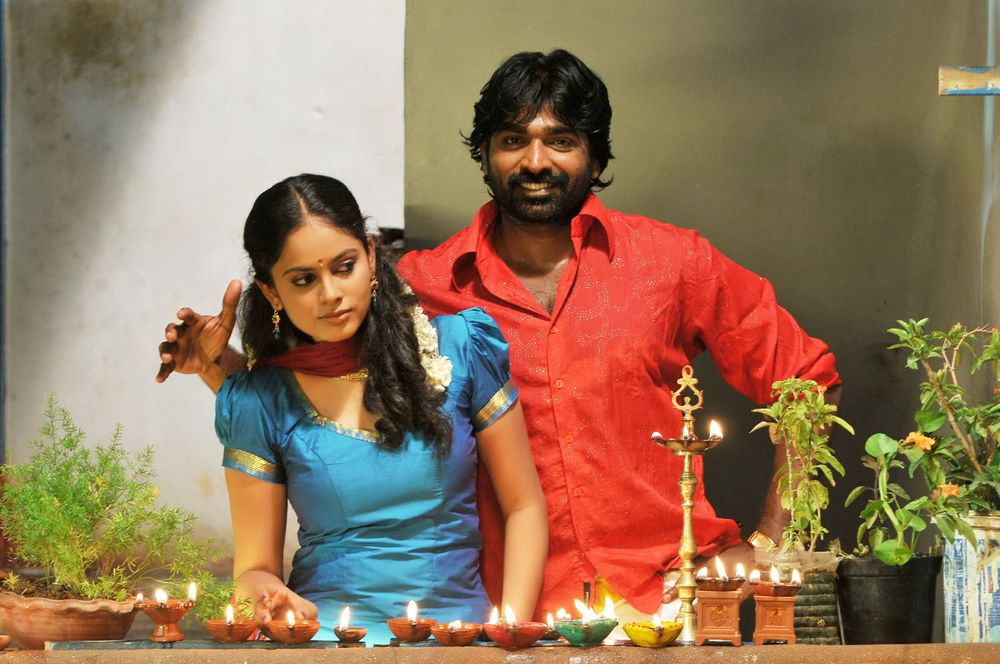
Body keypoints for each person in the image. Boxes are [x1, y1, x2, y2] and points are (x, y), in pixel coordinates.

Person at [157, 50, 840, 622]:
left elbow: (806, 382)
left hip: (670, 600)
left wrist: (767, 542)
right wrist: (220, 367)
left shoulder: (672, 263)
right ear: (485, 156)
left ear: (596, 155)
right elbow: (319, 390)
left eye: (561, 140)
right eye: (513, 140)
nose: (535, 160)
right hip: (507, 618)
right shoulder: (420, 288)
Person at [202, 174, 546, 644]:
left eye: (344, 267)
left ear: (370, 256)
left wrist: (510, 634)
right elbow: (253, 570)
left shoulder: (463, 349)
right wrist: (264, 596)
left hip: (461, 641)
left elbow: (524, 506)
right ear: (271, 292)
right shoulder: (259, 401)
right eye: (303, 280)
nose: (330, 293)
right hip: (327, 643)